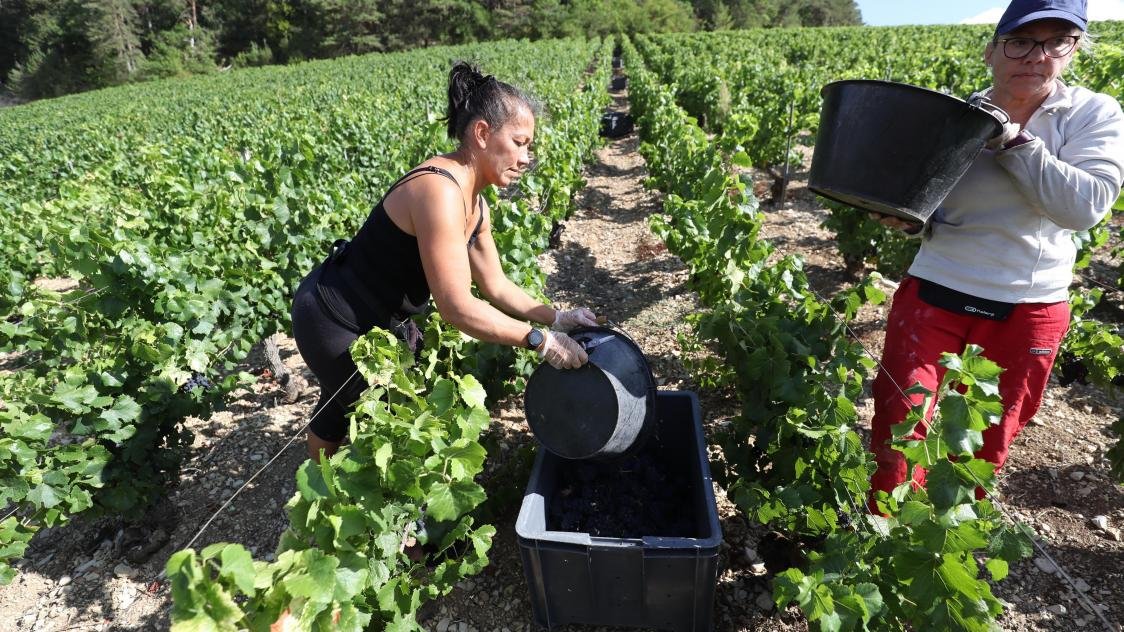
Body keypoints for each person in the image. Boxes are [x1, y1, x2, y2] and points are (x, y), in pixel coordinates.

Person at [868, 0, 1124, 504]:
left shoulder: (1093, 114)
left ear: (1072, 52)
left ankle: (942, 542)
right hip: (937, 287)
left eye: (1056, 42)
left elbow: (1084, 207)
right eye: (1021, 41)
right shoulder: (958, 116)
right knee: (899, 423)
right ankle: (886, 534)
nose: (1036, 56)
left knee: (985, 439)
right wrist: (903, 218)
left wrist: (1013, 141)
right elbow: (927, 203)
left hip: (1029, 306)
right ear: (992, 51)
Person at [291, 62, 598, 461]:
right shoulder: (439, 190)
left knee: (380, 411)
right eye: (520, 142)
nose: (526, 157)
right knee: (345, 405)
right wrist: (537, 340)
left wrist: (555, 318)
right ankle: (320, 495)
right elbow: (457, 307)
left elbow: (497, 286)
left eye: (529, 146)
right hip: (333, 316)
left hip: (378, 318)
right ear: (483, 133)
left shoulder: (476, 205)